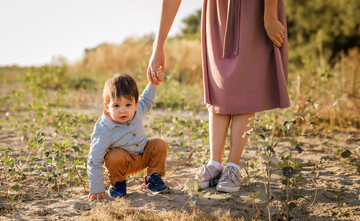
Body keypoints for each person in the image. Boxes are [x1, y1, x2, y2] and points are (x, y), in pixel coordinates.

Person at [148, 0, 290, 193]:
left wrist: (270, 16)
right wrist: (159, 45)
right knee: (218, 80)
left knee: (243, 80)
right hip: (216, 10)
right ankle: (214, 163)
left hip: (254, 8)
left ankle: (233, 166)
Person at [87, 73, 169, 200]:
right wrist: (96, 187)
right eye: (116, 106)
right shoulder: (104, 129)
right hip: (123, 163)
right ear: (107, 106)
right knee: (114, 156)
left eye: (128, 105)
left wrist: (153, 84)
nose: (123, 110)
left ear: (136, 104)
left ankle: (153, 180)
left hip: (143, 155)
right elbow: (94, 159)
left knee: (159, 144)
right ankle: (118, 185)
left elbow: (147, 99)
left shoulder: (137, 110)